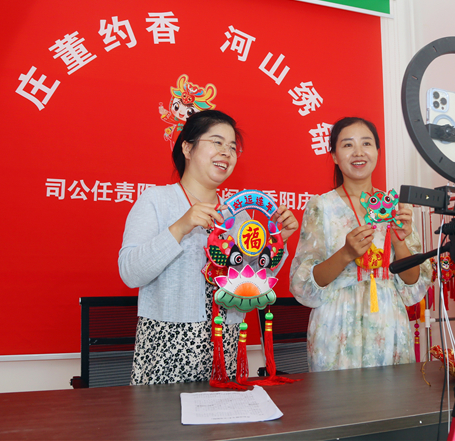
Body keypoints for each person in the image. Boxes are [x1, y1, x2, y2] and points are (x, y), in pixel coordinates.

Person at [119, 109, 299, 385]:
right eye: (217, 142)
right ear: (187, 148)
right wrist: (181, 226)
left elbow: (253, 284)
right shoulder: (156, 200)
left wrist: (278, 240)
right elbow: (130, 273)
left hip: (225, 345)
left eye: (232, 147)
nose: (226, 152)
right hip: (167, 346)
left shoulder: (239, 215)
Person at [289, 117, 431, 372]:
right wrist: (346, 253)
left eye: (366, 143)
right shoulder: (321, 206)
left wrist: (399, 242)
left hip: (389, 323)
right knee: (338, 397)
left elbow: (413, 283)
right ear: (334, 156)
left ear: (377, 151)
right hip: (336, 326)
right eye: (347, 145)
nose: (358, 152)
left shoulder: (395, 207)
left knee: (394, 394)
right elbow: (304, 285)